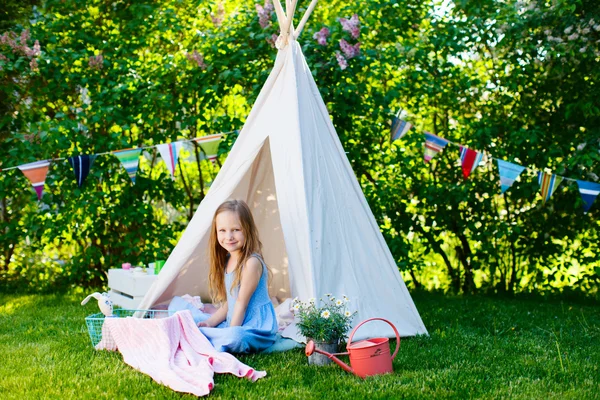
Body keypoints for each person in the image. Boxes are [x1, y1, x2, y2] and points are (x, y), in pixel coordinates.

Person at [168, 199, 277, 353]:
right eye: (222, 230)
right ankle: (208, 333)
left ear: (247, 229)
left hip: (254, 327)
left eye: (236, 229)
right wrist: (210, 322)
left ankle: (213, 338)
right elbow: (230, 303)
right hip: (233, 321)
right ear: (216, 232)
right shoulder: (228, 259)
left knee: (235, 337)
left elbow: (241, 304)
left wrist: (229, 333)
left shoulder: (251, 263)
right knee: (181, 311)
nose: (229, 236)